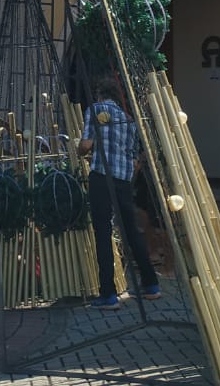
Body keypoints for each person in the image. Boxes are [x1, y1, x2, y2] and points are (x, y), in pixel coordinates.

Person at [79, 76, 161, 309]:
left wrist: (80, 150)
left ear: (99, 95)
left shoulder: (95, 110)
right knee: (131, 230)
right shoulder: (128, 120)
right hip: (123, 179)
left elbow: (86, 145)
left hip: (101, 176)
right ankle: (151, 284)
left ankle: (108, 295)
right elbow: (136, 160)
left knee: (103, 232)